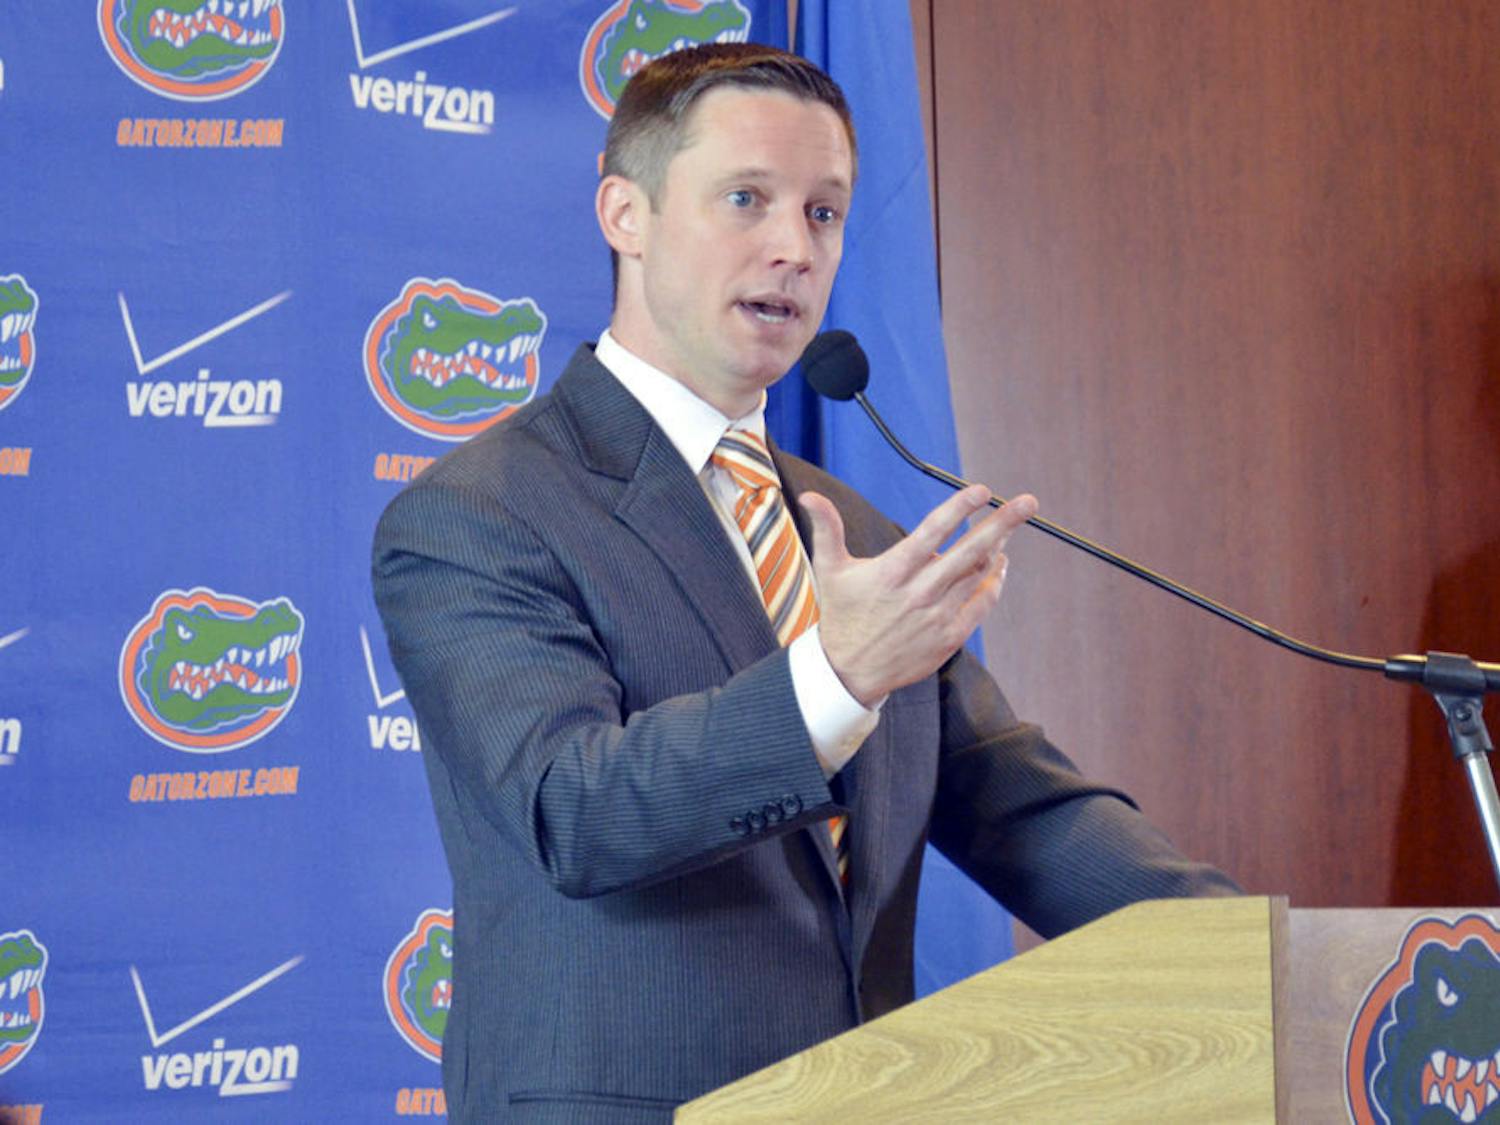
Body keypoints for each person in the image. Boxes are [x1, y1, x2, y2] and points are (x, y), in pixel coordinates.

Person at [372, 42, 1237, 1122]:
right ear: (624, 214)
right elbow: (572, 812)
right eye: (747, 199)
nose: (793, 247)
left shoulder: (855, 528)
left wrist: (1274, 961)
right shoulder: (480, 512)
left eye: (825, 213)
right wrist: (836, 677)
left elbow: (1020, 815)